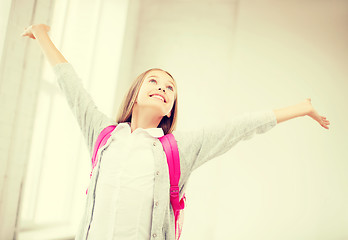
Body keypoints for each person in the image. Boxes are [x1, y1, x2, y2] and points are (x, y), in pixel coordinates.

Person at [21, 24, 330, 240]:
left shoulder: (178, 148)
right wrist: (41, 33)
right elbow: (72, 87)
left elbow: (240, 127)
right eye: (154, 81)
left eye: (170, 88)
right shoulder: (104, 135)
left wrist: (301, 108)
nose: (162, 88)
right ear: (135, 93)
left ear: (170, 109)